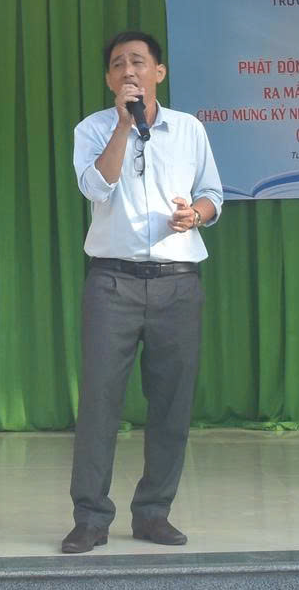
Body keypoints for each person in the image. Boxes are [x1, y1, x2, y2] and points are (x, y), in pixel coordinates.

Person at [62, 29, 224, 555]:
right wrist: (123, 126)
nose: (128, 70)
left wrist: (195, 214)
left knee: (172, 403)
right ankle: (91, 518)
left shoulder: (189, 129)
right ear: (110, 79)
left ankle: (154, 513)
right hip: (113, 282)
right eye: (117, 64)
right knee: (100, 404)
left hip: (178, 282)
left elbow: (213, 194)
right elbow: (95, 186)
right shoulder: (93, 128)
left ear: (159, 72)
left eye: (137, 61)